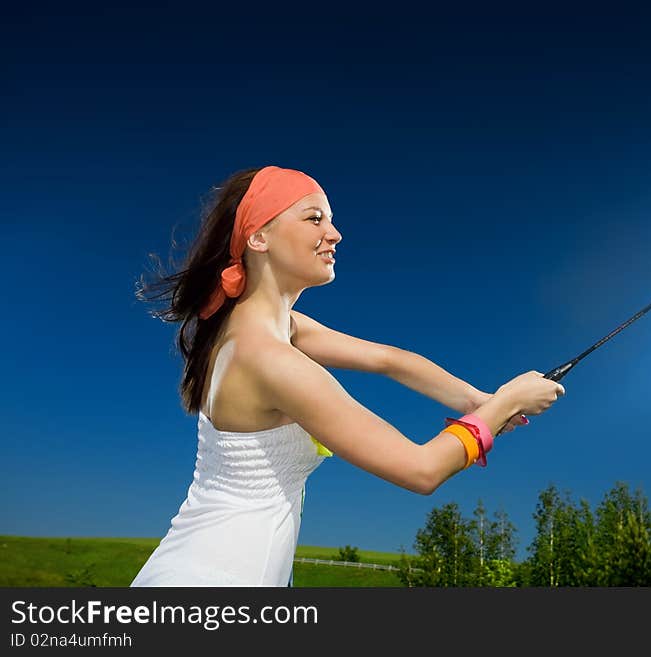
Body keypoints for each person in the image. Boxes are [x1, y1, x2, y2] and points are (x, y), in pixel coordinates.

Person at [130, 165, 565, 586]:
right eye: (314, 218)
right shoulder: (271, 359)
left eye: (331, 221)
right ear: (258, 237)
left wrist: (477, 401)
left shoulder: (269, 329)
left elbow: (389, 359)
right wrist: (507, 401)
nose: (334, 234)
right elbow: (421, 469)